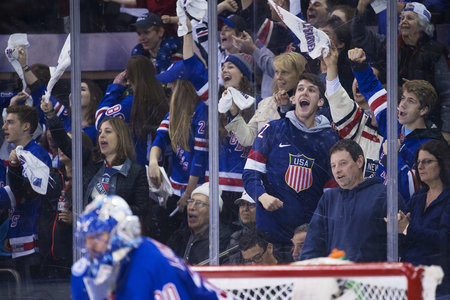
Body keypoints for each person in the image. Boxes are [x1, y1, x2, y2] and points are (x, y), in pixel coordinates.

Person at [243, 72, 339, 262]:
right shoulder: (273, 129)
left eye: (311, 90)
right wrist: (262, 196)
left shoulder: (330, 139)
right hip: (269, 238)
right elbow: (250, 173)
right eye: (300, 89)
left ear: (320, 102)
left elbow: (331, 195)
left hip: (307, 241)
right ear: (293, 98)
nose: (304, 93)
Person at [71, 194, 233, 300]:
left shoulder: (153, 261)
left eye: (98, 237)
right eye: (88, 238)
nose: (90, 245)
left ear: (122, 233)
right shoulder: (82, 272)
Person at [349, 47, 445, 203]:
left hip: (401, 217)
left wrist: (391, 157)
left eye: (411, 101)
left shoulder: (432, 147)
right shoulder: (393, 120)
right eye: (403, 99)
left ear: (423, 110)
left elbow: (412, 189)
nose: (402, 105)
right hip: (377, 204)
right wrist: (360, 65)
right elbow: (373, 89)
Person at [352, 1, 450, 142]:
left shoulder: (435, 52)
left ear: (422, 26)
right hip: (392, 119)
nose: (403, 21)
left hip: (423, 124)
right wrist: (361, 7)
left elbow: (446, 94)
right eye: (402, 18)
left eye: (409, 18)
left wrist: (446, 131)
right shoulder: (390, 45)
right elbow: (360, 35)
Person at [300, 139, 405, 262]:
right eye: (333, 165)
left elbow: (402, 242)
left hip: (371, 278)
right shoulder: (328, 199)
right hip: (336, 278)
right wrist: (307, 272)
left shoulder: (386, 195)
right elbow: (313, 244)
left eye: (343, 163)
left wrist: (403, 230)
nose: (337, 170)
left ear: (359, 161)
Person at [148, 75, 208, 243]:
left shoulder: (201, 109)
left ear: (183, 86)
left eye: (172, 82)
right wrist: (153, 161)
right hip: (175, 188)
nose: (168, 86)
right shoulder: (175, 111)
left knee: (189, 238)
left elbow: (199, 157)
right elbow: (159, 139)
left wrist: (188, 194)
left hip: (197, 188)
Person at [3, 105, 52, 280]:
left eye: (10, 122)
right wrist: (12, 231)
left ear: (26, 126)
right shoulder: (19, 153)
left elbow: (27, 194)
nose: (4, 127)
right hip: (20, 231)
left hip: (33, 232)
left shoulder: (37, 154)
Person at [396, 140, 450, 296]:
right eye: (418, 162)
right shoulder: (417, 198)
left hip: (440, 286)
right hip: (413, 282)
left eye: (427, 162)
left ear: (442, 163)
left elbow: (444, 239)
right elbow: (408, 236)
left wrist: (407, 228)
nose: (420, 167)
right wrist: (399, 226)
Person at [95, 55, 169, 166]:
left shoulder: (131, 103)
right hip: (160, 167)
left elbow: (100, 121)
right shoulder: (163, 100)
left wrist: (115, 88)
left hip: (139, 170)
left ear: (130, 79)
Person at [324, 45, 383, 179]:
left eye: (364, 78)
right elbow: (337, 98)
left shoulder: (395, 130)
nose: (358, 82)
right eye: (356, 77)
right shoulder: (357, 120)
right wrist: (331, 65)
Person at [225, 52, 307, 147]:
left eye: (284, 72)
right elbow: (248, 139)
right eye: (277, 72)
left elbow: (293, 139)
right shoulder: (265, 103)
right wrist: (234, 113)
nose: (279, 77)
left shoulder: (306, 104)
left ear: (298, 75)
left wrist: (285, 107)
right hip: (266, 161)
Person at [84, 117, 150, 225]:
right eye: (100, 132)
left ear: (120, 137)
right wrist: (50, 115)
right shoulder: (92, 164)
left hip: (118, 234)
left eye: (108, 131)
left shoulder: (136, 171)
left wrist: (114, 209)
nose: (102, 135)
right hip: (92, 232)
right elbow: (66, 144)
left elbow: (141, 210)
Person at [166, 182, 232, 265]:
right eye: (190, 201)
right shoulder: (180, 235)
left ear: (213, 211)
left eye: (199, 203)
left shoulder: (221, 239)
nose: (192, 207)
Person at [225, 191, 257, 264]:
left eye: (251, 205)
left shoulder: (270, 236)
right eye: (242, 204)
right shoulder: (235, 237)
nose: (245, 209)